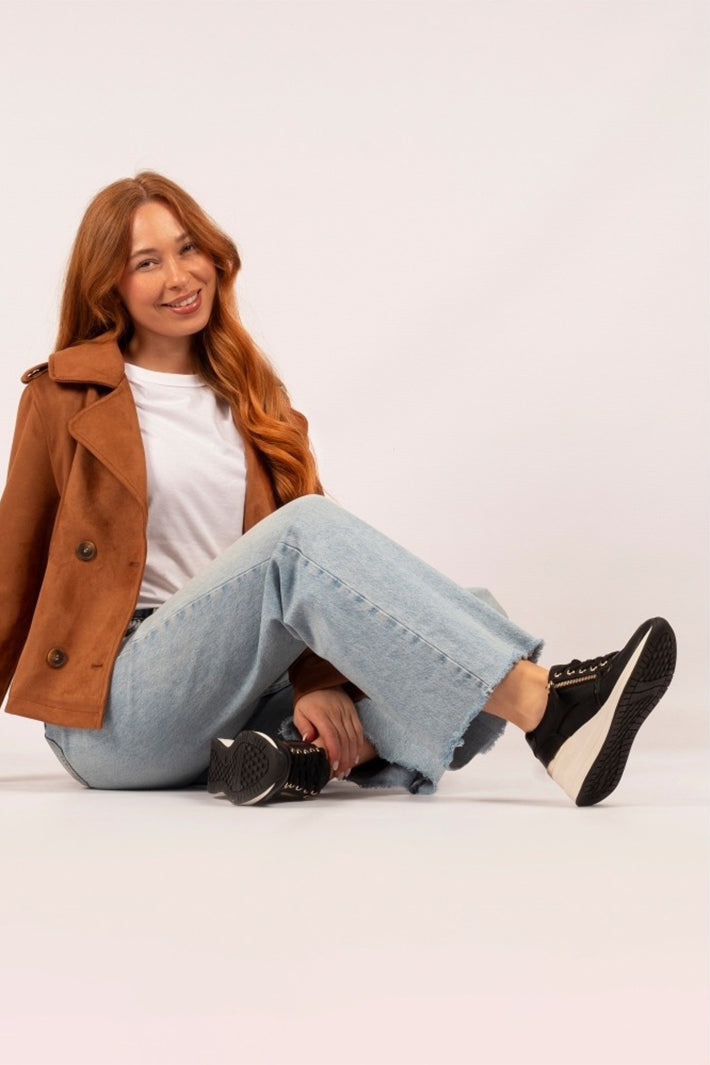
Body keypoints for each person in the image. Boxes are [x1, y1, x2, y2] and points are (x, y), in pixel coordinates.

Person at [0, 171, 676, 808]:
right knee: (323, 545)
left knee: (470, 615)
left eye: (187, 249)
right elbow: (12, 562)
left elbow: (319, 586)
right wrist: (322, 680)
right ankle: (551, 713)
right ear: (109, 284)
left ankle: (293, 757)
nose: (179, 276)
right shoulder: (64, 394)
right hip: (119, 711)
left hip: (235, 692)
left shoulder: (256, 399)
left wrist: (317, 682)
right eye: (147, 262)